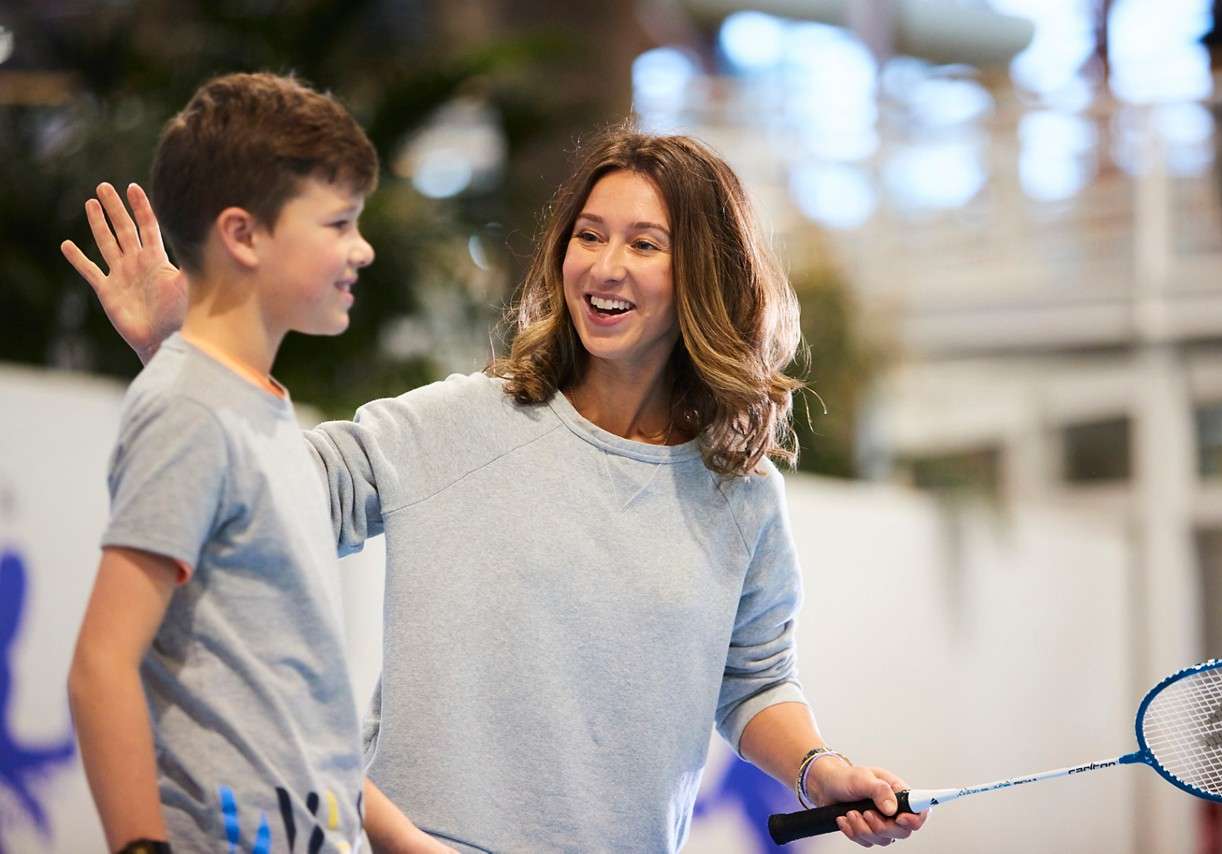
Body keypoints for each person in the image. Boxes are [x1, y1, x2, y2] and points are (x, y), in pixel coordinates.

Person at [65, 126, 928, 851]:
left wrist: (822, 769)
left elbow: (754, 681)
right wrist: (191, 352)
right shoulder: (463, 423)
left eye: (644, 243)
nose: (605, 266)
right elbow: (279, 495)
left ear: (707, 273)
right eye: (588, 235)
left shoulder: (742, 498)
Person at [62, 72, 453, 854]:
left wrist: (410, 843)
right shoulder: (190, 409)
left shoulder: (256, 412)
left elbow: (294, 708)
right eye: (339, 223)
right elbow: (100, 665)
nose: (362, 248)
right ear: (243, 235)